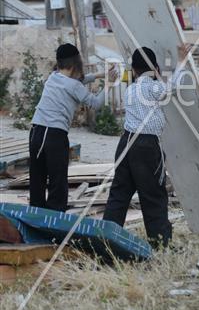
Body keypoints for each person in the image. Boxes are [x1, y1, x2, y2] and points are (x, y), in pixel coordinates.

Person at [103, 45, 188, 248]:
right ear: (155, 69)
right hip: (146, 146)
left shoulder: (131, 89)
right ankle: (160, 244)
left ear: (133, 70)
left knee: (119, 194)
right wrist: (182, 61)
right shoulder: (151, 87)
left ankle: (107, 240)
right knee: (153, 196)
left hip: (126, 143)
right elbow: (173, 87)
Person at [29, 43, 112, 211]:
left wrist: (99, 75)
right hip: (54, 135)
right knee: (57, 181)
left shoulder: (53, 77)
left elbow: (77, 80)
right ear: (76, 63)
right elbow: (95, 103)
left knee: (37, 178)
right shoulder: (74, 86)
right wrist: (109, 85)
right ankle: (55, 219)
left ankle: (35, 215)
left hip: (36, 131)